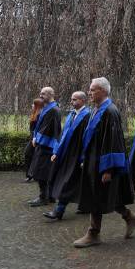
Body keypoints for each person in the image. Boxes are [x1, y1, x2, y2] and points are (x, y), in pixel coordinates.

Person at [74, 77, 135, 248]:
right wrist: (85, 159)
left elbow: (113, 141)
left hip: (103, 164)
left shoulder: (110, 111)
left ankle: (93, 233)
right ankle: (130, 217)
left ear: (103, 91)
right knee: (109, 194)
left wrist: (108, 169)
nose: (89, 92)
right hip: (93, 161)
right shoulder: (96, 110)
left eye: (93, 89)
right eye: (89, 89)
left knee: (96, 196)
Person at [43, 92, 90, 220]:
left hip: (77, 155)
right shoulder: (71, 114)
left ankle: (59, 211)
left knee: (67, 182)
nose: (71, 101)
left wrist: (84, 157)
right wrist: (56, 152)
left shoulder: (87, 116)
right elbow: (63, 135)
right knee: (76, 181)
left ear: (82, 100)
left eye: (74, 99)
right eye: (71, 99)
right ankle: (86, 206)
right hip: (66, 154)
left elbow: (87, 139)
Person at [27, 87, 61, 207]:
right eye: (40, 93)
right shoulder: (47, 108)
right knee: (45, 172)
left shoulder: (53, 110)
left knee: (41, 172)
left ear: (51, 94)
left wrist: (37, 139)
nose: (41, 96)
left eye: (43, 94)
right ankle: (50, 196)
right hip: (44, 144)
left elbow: (49, 129)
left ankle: (43, 198)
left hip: (46, 145)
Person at [24, 98, 44, 183]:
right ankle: (31, 174)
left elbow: (39, 128)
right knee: (30, 155)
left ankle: (31, 174)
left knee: (28, 153)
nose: (32, 106)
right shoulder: (34, 114)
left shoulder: (40, 115)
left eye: (33, 104)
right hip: (32, 138)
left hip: (35, 139)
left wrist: (35, 138)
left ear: (37, 106)